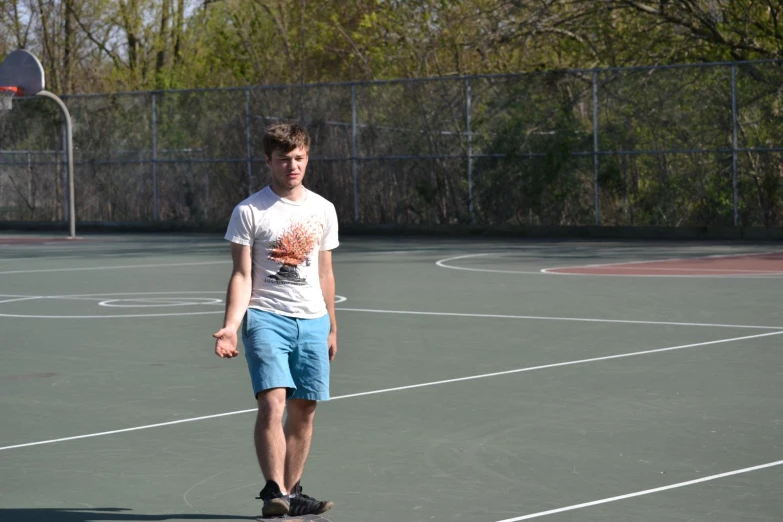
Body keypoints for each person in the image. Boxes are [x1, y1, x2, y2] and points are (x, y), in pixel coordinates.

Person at [212, 122, 338, 518]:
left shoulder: (323, 209)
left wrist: (332, 325)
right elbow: (241, 275)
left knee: (305, 409)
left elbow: (325, 274)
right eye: (284, 160)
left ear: (307, 157)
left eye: (299, 158)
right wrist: (232, 326)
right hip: (266, 318)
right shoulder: (249, 211)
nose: (293, 166)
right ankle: (273, 491)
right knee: (273, 401)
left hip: (313, 321)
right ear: (268, 161)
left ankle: (292, 491)